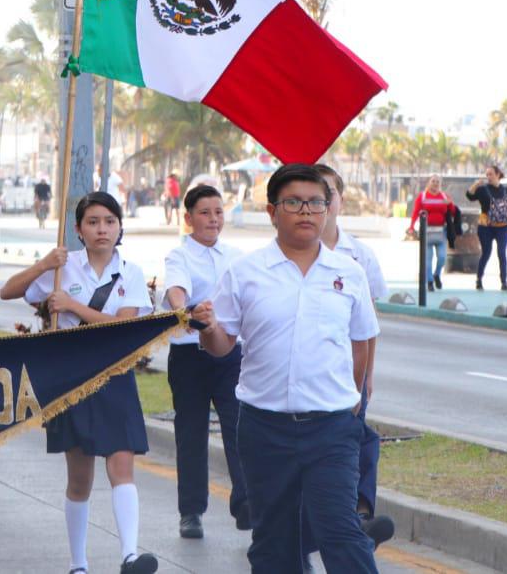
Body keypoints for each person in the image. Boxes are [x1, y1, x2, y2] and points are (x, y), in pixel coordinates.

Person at [193, 163, 380, 573]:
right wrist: (207, 330)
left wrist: (350, 402)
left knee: (340, 531)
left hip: (331, 429)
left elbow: (362, 340)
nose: (307, 212)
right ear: (273, 211)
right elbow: (222, 345)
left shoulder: (349, 274)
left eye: (316, 202)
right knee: (274, 541)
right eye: (294, 202)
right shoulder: (245, 273)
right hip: (265, 428)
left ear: (329, 209)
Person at [0, 192, 158, 574]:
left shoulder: (131, 272)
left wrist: (72, 307)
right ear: (78, 229)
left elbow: (123, 325)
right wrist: (43, 265)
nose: (102, 229)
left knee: (122, 463)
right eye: (92, 222)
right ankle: (78, 563)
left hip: (114, 375)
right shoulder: (62, 267)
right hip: (72, 378)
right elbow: (8, 291)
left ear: (120, 227)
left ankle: (130, 556)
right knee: (80, 476)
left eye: (109, 221)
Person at [310, 163, 393, 560]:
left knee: (357, 441)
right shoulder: (291, 250)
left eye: (330, 192)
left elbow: (368, 323)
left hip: (351, 373)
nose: (322, 201)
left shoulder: (358, 254)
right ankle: (317, 531)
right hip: (311, 374)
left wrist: (367, 377)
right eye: (313, 193)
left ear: (339, 200)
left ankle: (358, 515)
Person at [161, 184, 248, 540]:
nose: (213, 219)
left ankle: (248, 507)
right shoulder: (179, 256)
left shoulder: (238, 256)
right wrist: (187, 310)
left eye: (218, 212)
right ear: (188, 218)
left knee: (240, 431)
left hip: (230, 355)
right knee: (191, 433)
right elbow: (175, 291)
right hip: (189, 356)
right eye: (204, 213)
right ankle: (191, 512)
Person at [466, 165, 507, 292]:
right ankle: (479, 279)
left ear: (498, 174)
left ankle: (504, 282)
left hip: (502, 227)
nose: (488, 177)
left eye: (491, 174)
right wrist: (475, 185)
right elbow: (470, 196)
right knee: (486, 253)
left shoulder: (506, 190)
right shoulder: (483, 189)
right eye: (487, 174)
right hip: (485, 227)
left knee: (501, 253)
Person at [407, 174, 456, 291]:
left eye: (437, 182)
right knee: (427, 259)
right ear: (429, 182)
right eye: (433, 181)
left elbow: (453, 212)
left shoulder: (444, 196)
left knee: (442, 257)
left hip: (441, 232)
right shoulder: (422, 196)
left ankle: (437, 274)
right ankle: (429, 281)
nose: (435, 184)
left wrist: (449, 203)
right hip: (426, 232)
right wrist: (411, 226)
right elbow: (415, 212)